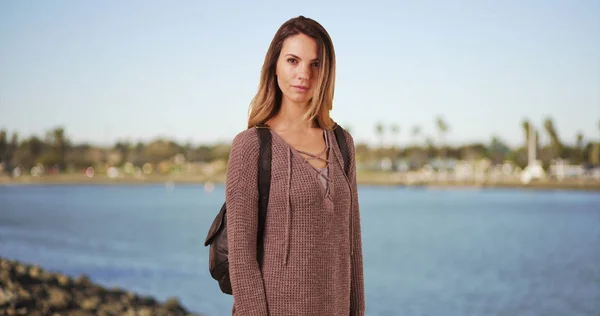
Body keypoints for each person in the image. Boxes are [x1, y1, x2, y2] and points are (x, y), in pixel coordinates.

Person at [225, 15, 365, 316]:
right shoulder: (251, 145)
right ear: (274, 65)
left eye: (315, 64)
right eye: (293, 60)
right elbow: (241, 258)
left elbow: (352, 249)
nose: (304, 73)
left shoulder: (342, 144)